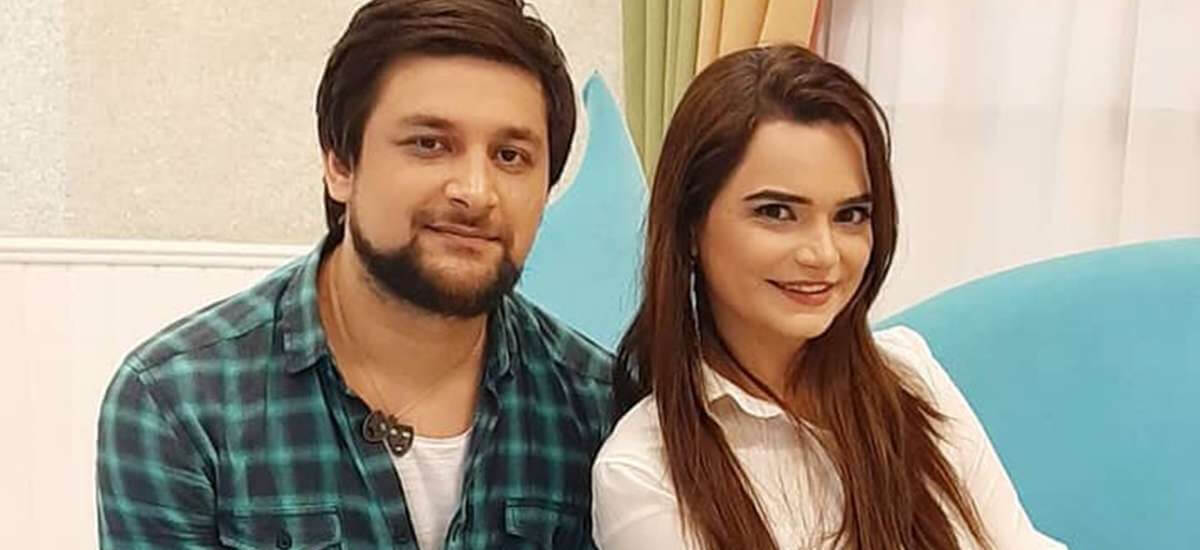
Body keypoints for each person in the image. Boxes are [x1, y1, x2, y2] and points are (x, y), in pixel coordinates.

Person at [96, 1, 612, 548]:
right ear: (340, 163)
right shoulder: (180, 403)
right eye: (430, 144)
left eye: (510, 156)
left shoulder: (597, 407)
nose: (476, 192)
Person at [592, 44, 1065, 550]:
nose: (823, 254)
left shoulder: (911, 377)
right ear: (689, 226)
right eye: (777, 212)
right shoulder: (642, 473)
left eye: (850, 216)